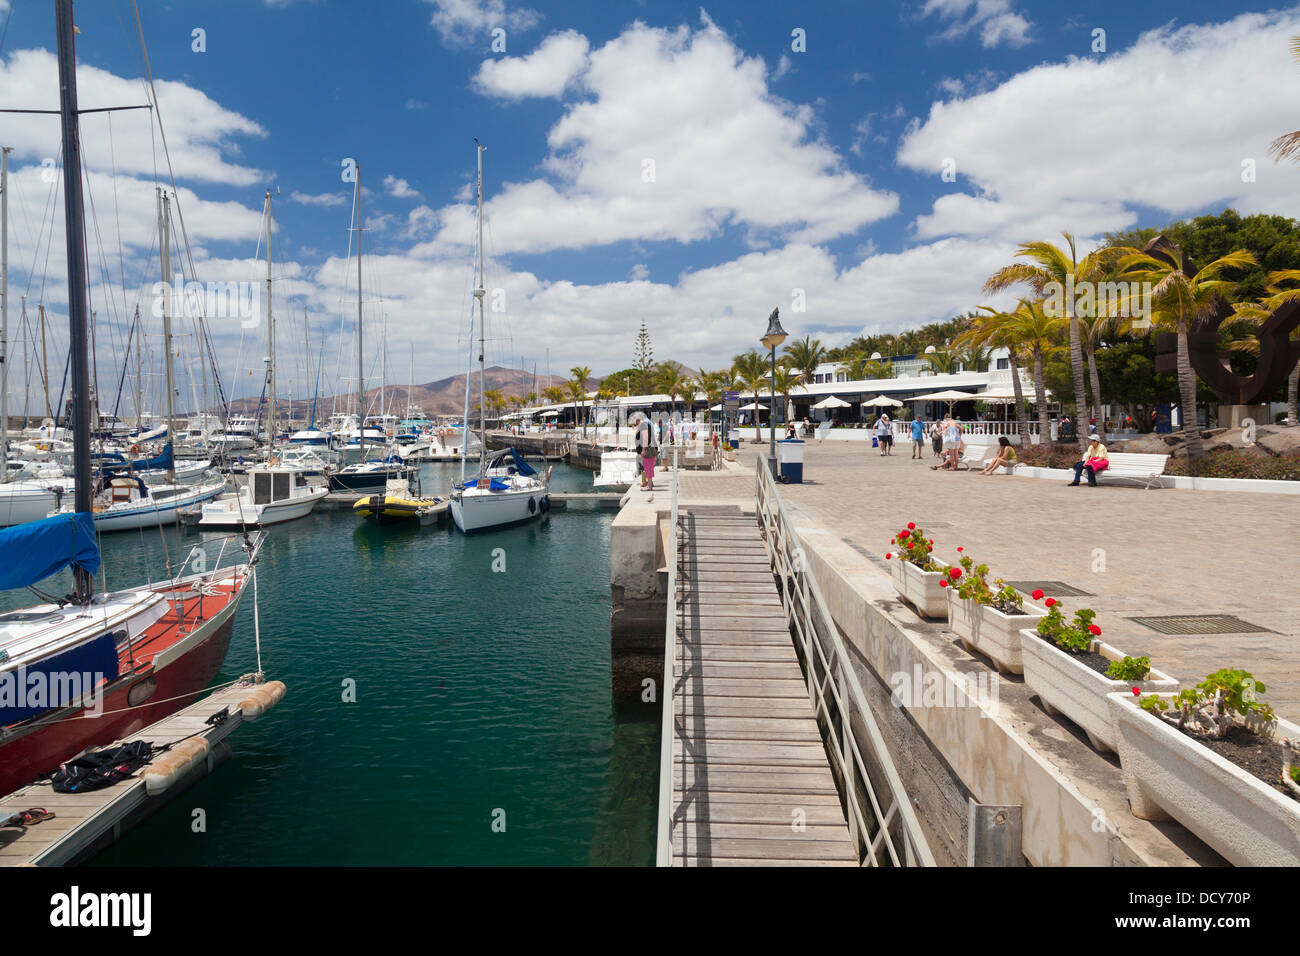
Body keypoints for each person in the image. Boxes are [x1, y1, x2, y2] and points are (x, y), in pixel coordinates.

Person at [634, 414, 658, 491]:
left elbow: (645, 437)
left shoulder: (643, 425)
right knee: (649, 467)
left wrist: (643, 449)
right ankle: (650, 483)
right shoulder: (646, 424)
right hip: (649, 448)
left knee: (648, 467)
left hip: (647, 450)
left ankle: (649, 485)